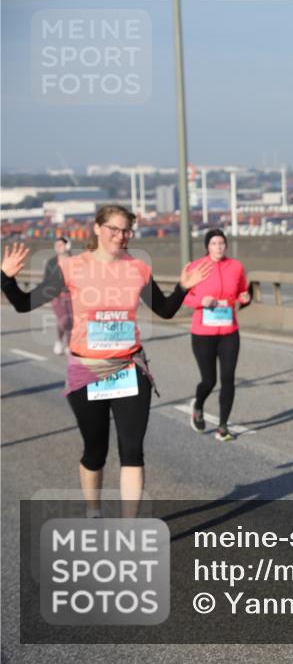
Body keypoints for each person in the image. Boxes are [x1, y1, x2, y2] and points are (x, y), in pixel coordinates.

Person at [1, 205, 211, 517]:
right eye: (114, 228)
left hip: (129, 368)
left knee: (132, 450)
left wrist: (182, 288)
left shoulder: (137, 268)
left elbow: (164, 310)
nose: (120, 235)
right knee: (95, 451)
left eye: (126, 230)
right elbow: (23, 304)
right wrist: (6, 278)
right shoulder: (71, 268)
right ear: (97, 229)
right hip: (87, 369)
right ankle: (93, 509)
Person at [183, 229, 251, 442]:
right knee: (209, 380)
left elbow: (243, 292)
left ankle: (223, 427)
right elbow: (184, 297)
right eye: (214, 243)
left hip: (229, 331)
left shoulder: (236, 267)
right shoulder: (196, 267)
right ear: (207, 247)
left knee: (228, 378)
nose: (218, 247)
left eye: (221, 243)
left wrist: (246, 298)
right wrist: (199, 302)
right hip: (203, 332)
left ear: (226, 246)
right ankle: (199, 404)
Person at [45, 237, 73, 354]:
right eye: (56, 245)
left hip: (72, 295)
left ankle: (69, 345)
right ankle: (59, 341)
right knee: (63, 320)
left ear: (68, 246)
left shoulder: (75, 260)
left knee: (72, 321)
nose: (58, 247)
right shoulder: (51, 262)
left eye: (61, 245)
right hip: (56, 295)